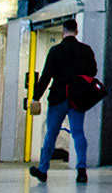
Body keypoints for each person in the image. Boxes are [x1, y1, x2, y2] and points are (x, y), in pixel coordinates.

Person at [29, 18, 96, 184]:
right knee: (78, 132)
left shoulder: (56, 51)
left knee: (51, 133)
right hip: (78, 98)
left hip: (58, 97)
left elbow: (45, 77)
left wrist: (36, 97)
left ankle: (43, 170)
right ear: (77, 31)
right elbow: (93, 72)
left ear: (63, 32)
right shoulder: (86, 50)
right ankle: (82, 170)